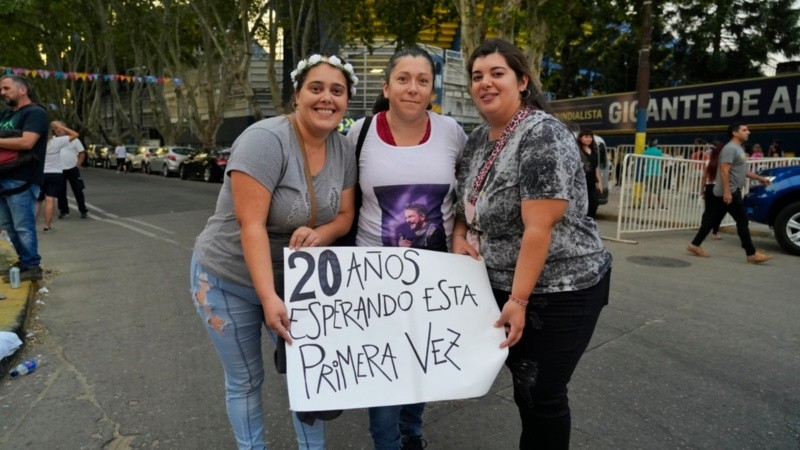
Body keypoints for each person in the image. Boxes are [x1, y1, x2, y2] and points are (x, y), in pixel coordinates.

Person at [189, 53, 358, 449]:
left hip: (296, 284)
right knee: (246, 380)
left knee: (308, 375)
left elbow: (345, 215)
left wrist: (322, 233)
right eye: (316, 88)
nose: (327, 98)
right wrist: (268, 298)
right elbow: (251, 225)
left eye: (337, 91)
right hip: (228, 278)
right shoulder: (265, 140)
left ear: (347, 100)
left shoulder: (343, 149)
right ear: (297, 95)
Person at [453, 39, 612, 449]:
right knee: (526, 392)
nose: (485, 83)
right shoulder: (478, 139)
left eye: (497, 73)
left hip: (560, 290)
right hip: (501, 285)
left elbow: (538, 227)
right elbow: (464, 203)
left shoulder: (543, 133)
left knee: (542, 395)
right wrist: (457, 236)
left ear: (522, 81)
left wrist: (519, 299)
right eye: (477, 76)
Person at [346, 45, 467, 450]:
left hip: (436, 282)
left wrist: (461, 236)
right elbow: (342, 199)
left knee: (419, 361)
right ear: (386, 87)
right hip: (373, 281)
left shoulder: (452, 133)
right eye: (403, 79)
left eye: (422, 80)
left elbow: (469, 198)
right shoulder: (359, 133)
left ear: (432, 89)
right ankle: (388, 442)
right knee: (384, 371)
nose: (413, 88)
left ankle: (412, 434)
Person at [687, 123, 772, 263]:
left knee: (712, 219)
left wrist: (760, 178)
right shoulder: (730, 148)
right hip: (730, 191)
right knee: (742, 220)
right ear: (735, 133)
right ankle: (751, 253)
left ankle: (694, 245)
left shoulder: (738, 149)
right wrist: (727, 192)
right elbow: (724, 170)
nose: (748, 132)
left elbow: (742, 171)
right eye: (744, 130)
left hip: (728, 191)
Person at [0, 74, 49, 282]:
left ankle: (32, 265)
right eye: (1, 89)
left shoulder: (35, 113)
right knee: (8, 226)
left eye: (6, 88)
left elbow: (27, 142)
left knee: (23, 226)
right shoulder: (5, 115)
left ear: (23, 90)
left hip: (22, 178)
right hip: (3, 177)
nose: (2, 93)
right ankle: (24, 261)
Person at [36, 121, 78, 232]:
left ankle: (31, 226)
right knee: (50, 200)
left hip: (40, 174)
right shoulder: (57, 141)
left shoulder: (37, 142)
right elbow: (75, 134)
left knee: (38, 201)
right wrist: (60, 126)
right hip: (55, 173)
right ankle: (47, 226)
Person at [56, 121, 89, 219]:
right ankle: (64, 211)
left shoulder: (74, 140)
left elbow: (82, 153)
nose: (58, 130)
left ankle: (83, 210)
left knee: (78, 190)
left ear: (65, 129)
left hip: (72, 169)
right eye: (56, 129)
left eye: (60, 128)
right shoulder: (54, 140)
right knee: (61, 192)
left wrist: (78, 165)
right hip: (59, 170)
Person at [699, 143, 725, 240]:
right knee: (718, 211)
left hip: (709, 187)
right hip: (720, 187)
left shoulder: (708, 162)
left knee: (708, 210)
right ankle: (714, 232)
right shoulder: (724, 163)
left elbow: (704, 177)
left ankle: (703, 230)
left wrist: (702, 189)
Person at [576, 130, 603, 218]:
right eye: (586, 137)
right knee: (582, 207)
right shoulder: (577, 151)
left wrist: (599, 182)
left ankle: (590, 222)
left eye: (590, 137)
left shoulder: (594, 150)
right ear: (580, 138)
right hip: (581, 184)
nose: (589, 139)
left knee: (594, 204)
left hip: (591, 184)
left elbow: (596, 168)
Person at [643, 139, 665, 208]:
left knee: (650, 190)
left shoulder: (646, 151)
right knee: (659, 190)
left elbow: (644, 161)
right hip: (657, 173)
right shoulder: (659, 151)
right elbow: (662, 161)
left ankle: (650, 205)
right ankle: (661, 205)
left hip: (648, 173)